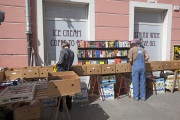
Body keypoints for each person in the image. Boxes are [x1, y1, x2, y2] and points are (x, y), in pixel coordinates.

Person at [56, 41, 74, 111]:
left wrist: (56, 64)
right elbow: (71, 62)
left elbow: (60, 61)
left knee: (60, 88)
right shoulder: (72, 52)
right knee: (68, 89)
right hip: (68, 71)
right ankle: (69, 106)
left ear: (63, 46)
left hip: (61, 72)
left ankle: (60, 107)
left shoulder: (63, 51)